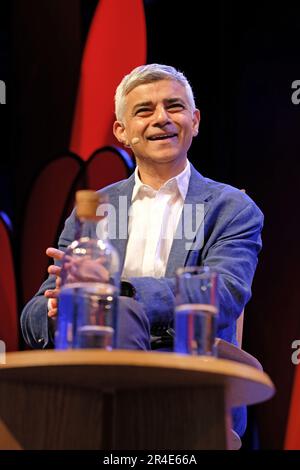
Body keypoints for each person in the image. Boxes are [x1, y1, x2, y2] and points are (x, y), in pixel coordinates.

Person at [20, 64, 263, 436]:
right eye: (144, 110)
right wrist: (59, 309)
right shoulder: (97, 207)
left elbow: (224, 292)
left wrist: (114, 295)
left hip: (188, 377)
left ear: (195, 121)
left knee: (121, 319)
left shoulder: (229, 207)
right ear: (122, 131)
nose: (161, 118)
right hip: (95, 372)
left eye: (175, 107)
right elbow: (34, 315)